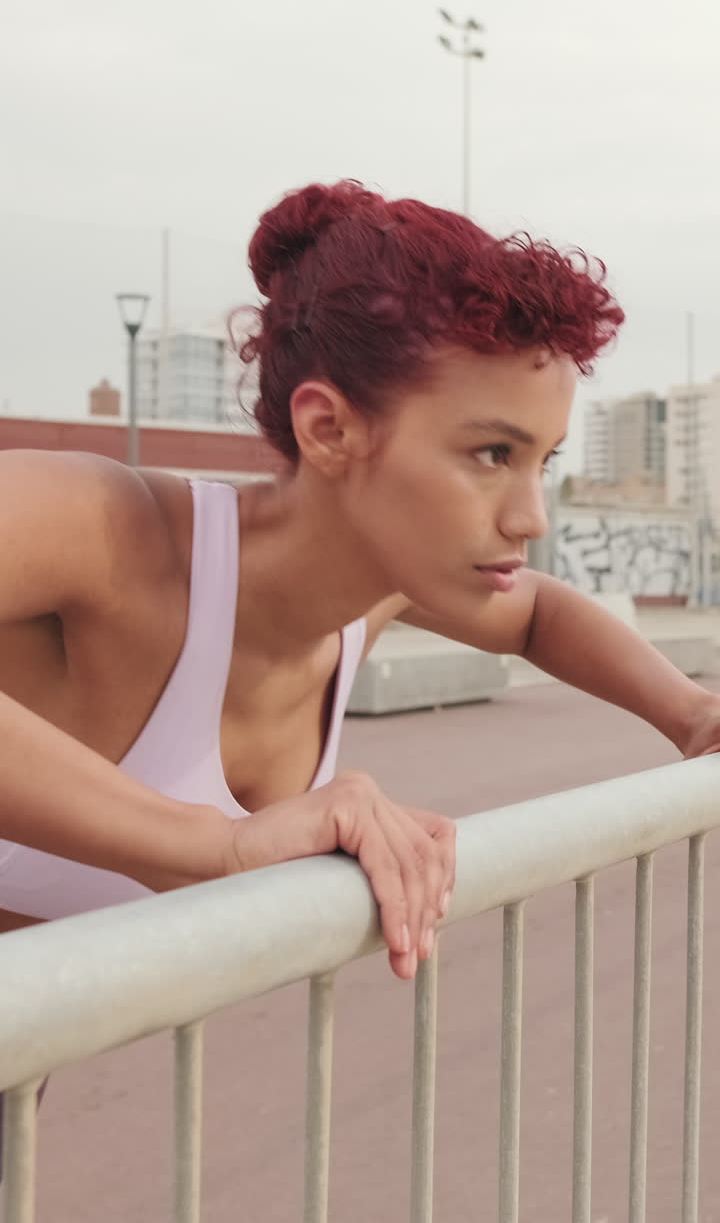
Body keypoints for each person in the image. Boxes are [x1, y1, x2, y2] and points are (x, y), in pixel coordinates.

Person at [1, 179, 720, 994]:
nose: (531, 518)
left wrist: (693, 714)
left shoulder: (381, 587)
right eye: (492, 454)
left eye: (542, 461)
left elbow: (536, 617)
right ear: (329, 429)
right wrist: (216, 845)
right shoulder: (109, 529)